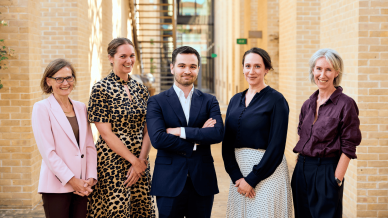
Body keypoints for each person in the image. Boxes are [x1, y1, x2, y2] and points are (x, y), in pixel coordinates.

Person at [146, 46, 224, 218]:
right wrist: (198, 137)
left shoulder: (209, 101)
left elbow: (217, 134)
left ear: (198, 69)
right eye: (182, 66)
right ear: (172, 67)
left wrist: (179, 131)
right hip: (169, 182)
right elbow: (158, 139)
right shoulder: (156, 102)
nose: (187, 71)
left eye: (192, 66)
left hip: (202, 181)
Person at [87, 38, 155, 217]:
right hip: (112, 162)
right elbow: (106, 134)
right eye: (123, 56)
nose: (129, 60)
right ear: (111, 58)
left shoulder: (141, 89)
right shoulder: (100, 89)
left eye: (132, 56)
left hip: (141, 162)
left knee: (141, 210)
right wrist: (134, 161)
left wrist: (141, 161)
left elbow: (148, 130)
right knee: (117, 211)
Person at [222, 47, 293, 217]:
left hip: (267, 173)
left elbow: (276, 146)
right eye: (247, 66)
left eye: (257, 66)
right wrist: (237, 177)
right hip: (239, 177)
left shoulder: (277, 100)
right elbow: (227, 143)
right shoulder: (234, 100)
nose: (251, 71)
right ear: (243, 68)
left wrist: (252, 179)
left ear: (266, 69)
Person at [291, 48, 361, 218]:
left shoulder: (346, 104)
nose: (322, 74)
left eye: (328, 69)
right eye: (319, 69)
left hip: (327, 170)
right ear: (313, 71)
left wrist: (337, 178)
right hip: (302, 170)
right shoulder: (307, 104)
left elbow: (349, 145)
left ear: (336, 72)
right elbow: (303, 136)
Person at [32, 59, 97, 218]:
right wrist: (72, 180)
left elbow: (89, 145)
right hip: (56, 187)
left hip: (82, 186)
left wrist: (90, 177)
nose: (65, 83)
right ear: (49, 81)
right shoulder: (41, 108)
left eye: (69, 78)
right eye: (59, 79)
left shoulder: (81, 107)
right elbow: (49, 153)